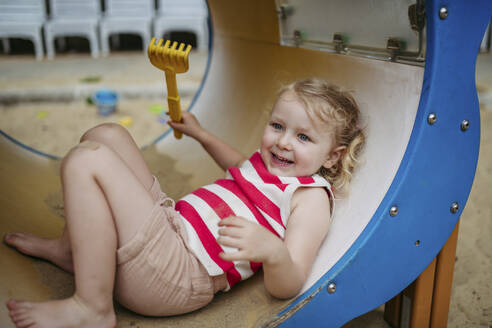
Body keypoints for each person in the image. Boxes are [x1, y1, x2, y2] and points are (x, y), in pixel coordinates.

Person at [4, 78, 365, 328]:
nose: (283, 142)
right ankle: (74, 252)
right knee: (106, 134)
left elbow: (290, 282)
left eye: (302, 136)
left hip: (179, 274)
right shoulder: (267, 167)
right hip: (171, 227)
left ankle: (92, 308)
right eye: (277, 126)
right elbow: (237, 164)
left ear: (332, 157)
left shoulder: (310, 196)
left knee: (88, 160)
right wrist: (199, 133)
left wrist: (274, 252)